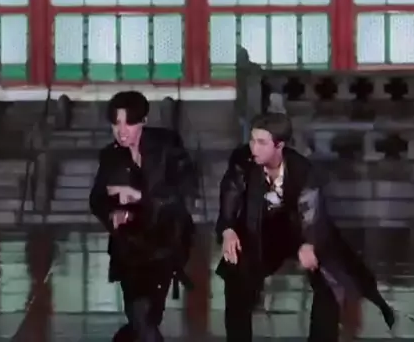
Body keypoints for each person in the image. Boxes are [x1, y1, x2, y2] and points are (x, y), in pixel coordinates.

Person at [215, 113, 395, 342]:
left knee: (329, 279)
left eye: (261, 142)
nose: (254, 147)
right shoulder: (243, 160)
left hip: (299, 229)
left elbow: (311, 211)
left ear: (279, 145)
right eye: (252, 140)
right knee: (237, 278)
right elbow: (230, 193)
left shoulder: (302, 169)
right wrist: (228, 229)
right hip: (262, 231)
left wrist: (309, 243)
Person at [89, 91, 197, 342]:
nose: (121, 131)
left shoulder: (167, 146)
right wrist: (112, 213)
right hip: (129, 246)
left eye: (129, 123)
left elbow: (185, 190)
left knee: (147, 316)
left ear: (143, 121)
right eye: (116, 124)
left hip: (165, 242)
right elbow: (97, 199)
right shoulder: (111, 155)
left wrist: (139, 197)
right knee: (139, 315)